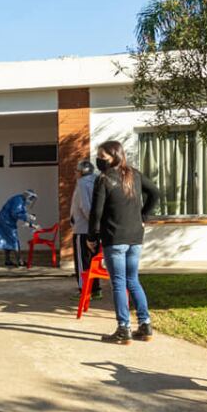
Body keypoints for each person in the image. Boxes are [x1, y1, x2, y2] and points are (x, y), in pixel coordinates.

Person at [87, 141, 160, 345]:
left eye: (103, 157)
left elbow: (96, 212)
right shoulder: (134, 174)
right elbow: (155, 192)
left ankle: (123, 329)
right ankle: (145, 325)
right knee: (132, 280)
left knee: (118, 282)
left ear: (114, 156)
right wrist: (143, 216)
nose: (99, 160)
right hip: (135, 236)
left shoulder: (103, 179)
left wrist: (91, 237)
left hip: (114, 237)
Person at [70, 160, 101, 300]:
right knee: (93, 261)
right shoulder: (97, 181)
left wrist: (92, 223)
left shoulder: (82, 183)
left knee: (82, 261)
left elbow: (85, 206)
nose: (75, 173)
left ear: (82, 172)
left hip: (82, 229)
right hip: (93, 229)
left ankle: (84, 290)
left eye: (76, 171)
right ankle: (95, 289)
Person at [0, 190, 38, 267]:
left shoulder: (20, 200)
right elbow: (15, 213)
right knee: (14, 240)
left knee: (7, 240)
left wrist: (30, 223)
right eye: (31, 198)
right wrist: (28, 217)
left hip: (6, 221)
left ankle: (7, 260)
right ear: (28, 196)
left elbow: (22, 214)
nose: (31, 201)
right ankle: (20, 261)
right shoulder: (18, 201)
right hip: (6, 222)